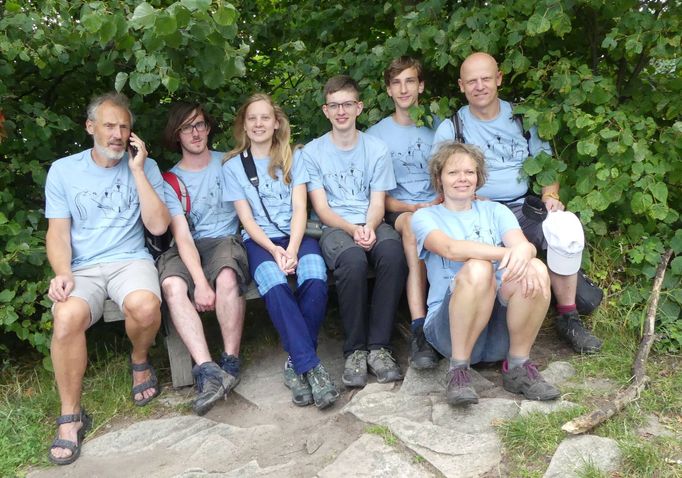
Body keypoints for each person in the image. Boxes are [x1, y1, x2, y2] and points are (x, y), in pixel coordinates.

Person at [433, 52, 602, 354]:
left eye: (486, 78)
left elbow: (546, 164)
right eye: (472, 81)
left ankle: (568, 318)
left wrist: (550, 195)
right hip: (479, 212)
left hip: (523, 207)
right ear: (461, 86)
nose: (480, 86)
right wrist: (467, 197)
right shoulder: (453, 127)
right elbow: (441, 175)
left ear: (499, 79)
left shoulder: (522, 118)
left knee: (565, 227)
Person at [45, 92, 170, 464]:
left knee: (145, 307)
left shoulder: (145, 167)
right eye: (109, 125)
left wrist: (137, 171)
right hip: (82, 267)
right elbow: (57, 232)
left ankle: (140, 359)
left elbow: (159, 225)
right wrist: (63, 273)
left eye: (124, 127)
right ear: (90, 127)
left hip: (130, 259)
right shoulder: (63, 171)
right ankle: (71, 416)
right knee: (65, 316)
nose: (117, 134)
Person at [412, 142, 560, 406]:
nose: (462, 179)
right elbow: (451, 249)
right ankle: (458, 370)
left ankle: (517, 366)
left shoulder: (496, 211)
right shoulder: (425, 217)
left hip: (498, 328)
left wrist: (525, 252)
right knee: (479, 268)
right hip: (448, 330)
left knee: (536, 268)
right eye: (453, 172)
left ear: (478, 177)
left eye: (469, 172)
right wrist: (507, 254)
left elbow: (523, 245)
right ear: (439, 178)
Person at [223, 93, 338, 409]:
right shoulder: (233, 167)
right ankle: (310, 367)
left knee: (315, 279)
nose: (258, 124)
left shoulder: (293, 157)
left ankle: (296, 365)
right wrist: (275, 251)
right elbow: (246, 219)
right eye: (252, 119)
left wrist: (293, 247)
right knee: (274, 286)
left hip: (297, 236)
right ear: (244, 126)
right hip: (261, 242)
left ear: (276, 123)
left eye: (264, 118)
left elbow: (301, 208)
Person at [301, 75, 408, 388]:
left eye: (347, 104)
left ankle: (380, 347)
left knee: (392, 252)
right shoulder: (313, 152)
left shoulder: (376, 148)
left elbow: (378, 201)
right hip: (333, 226)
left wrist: (370, 226)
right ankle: (355, 350)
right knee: (352, 261)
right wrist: (352, 229)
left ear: (359, 107)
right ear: (325, 111)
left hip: (371, 221)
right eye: (334, 105)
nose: (341, 111)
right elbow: (321, 209)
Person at [157, 102, 249, 416]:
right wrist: (198, 282)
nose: (195, 133)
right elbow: (181, 234)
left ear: (208, 128)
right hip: (187, 244)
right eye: (186, 127)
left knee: (226, 276)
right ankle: (208, 370)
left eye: (199, 125)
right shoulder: (170, 179)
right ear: (177, 135)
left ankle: (230, 363)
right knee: (171, 285)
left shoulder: (230, 163)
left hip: (225, 240)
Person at [366, 56, 441, 370]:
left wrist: (436, 204)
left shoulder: (439, 128)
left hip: (441, 208)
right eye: (396, 83)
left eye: (410, 81)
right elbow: (378, 198)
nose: (403, 88)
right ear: (388, 90)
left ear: (420, 86)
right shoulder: (375, 135)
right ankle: (419, 328)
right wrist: (413, 207)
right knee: (413, 226)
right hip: (401, 213)